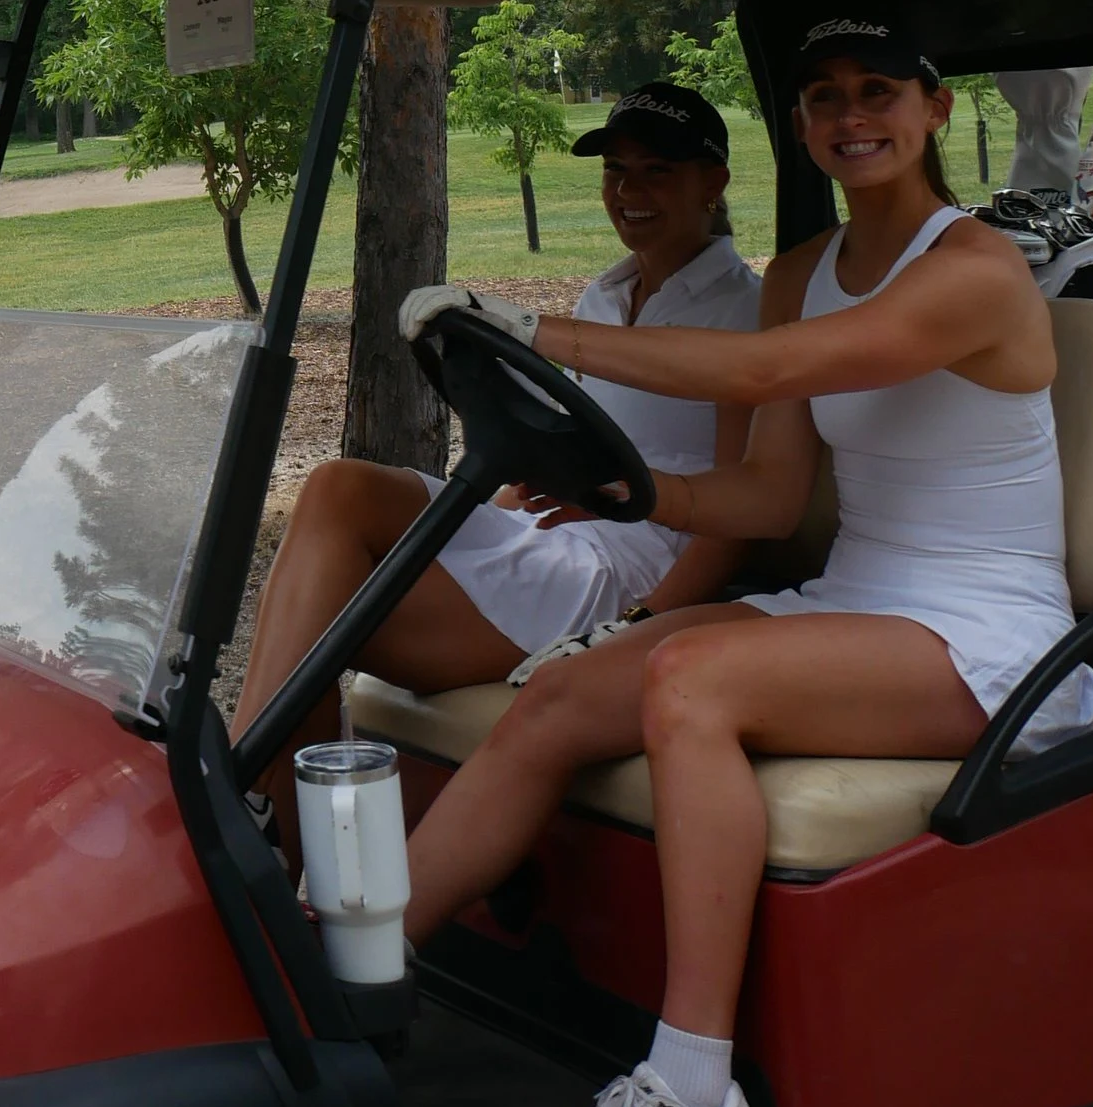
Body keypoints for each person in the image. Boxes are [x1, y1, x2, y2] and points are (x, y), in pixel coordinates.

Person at [392, 12, 1091, 1107]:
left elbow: (771, 374)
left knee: (695, 678)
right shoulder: (796, 269)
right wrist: (624, 488)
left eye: (878, 88)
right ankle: (334, 972)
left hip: (989, 634)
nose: (849, 114)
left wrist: (532, 329)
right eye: (822, 94)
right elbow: (767, 493)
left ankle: (692, 1106)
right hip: (852, 605)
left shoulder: (973, 267)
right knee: (566, 690)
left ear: (931, 108)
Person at [231, 83, 760, 820]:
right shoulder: (602, 298)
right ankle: (254, 808)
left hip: (623, 570)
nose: (629, 191)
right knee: (336, 488)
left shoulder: (748, 313)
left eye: (657, 171)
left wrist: (638, 626)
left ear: (714, 182)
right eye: (616, 170)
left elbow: (741, 510)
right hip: (552, 530)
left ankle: (245, 812)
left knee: (314, 621)